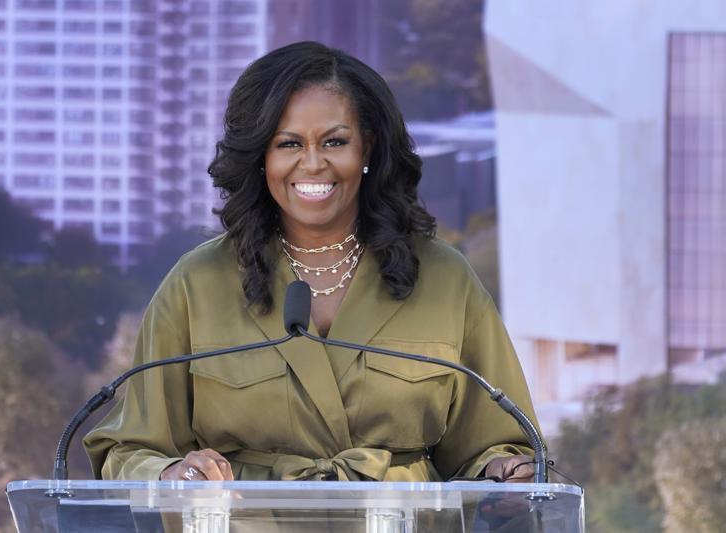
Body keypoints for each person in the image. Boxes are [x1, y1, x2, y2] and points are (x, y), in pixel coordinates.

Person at [83, 41, 539, 485]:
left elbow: (498, 444)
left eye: (335, 141)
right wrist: (171, 473)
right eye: (289, 144)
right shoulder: (196, 283)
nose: (313, 163)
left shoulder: (444, 277)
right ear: (260, 157)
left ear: (368, 149)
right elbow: (130, 450)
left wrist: (505, 470)